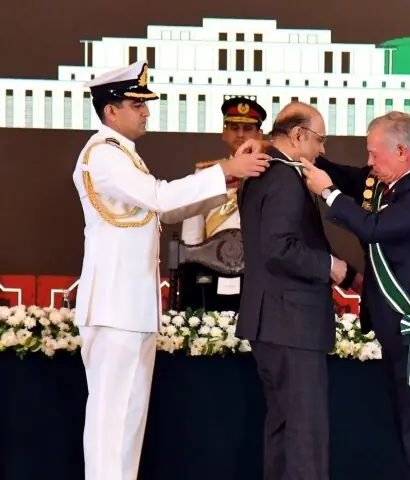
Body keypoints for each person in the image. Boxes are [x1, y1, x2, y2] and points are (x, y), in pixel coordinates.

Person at [73, 60, 268, 480]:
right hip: (112, 309)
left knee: (128, 424)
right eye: (136, 104)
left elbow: (170, 205)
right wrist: (224, 171)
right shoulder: (102, 156)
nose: (145, 111)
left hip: (131, 310)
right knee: (111, 425)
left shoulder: (125, 157)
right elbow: (158, 197)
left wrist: (227, 184)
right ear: (111, 111)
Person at [297, 111, 410, 480]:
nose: (369, 163)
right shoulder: (392, 182)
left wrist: (326, 191)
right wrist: (309, 152)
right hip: (398, 331)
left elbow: (374, 228)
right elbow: (355, 179)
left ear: (402, 151)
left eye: (374, 155)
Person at [235, 102, 356, 480]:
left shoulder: (262, 171)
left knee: (284, 430)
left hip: (271, 321)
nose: (322, 149)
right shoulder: (284, 178)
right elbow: (279, 246)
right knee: (306, 435)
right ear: (299, 135)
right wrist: (331, 266)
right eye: (319, 139)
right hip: (292, 323)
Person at [177, 96, 267, 312]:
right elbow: (192, 232)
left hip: (259, 270)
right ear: (223, 132)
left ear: (260, 135)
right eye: (234, 127)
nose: (240, 134)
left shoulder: (271, 173)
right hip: (211, 270)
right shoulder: (207, 173)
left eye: (247, 128)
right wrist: (192, 266)